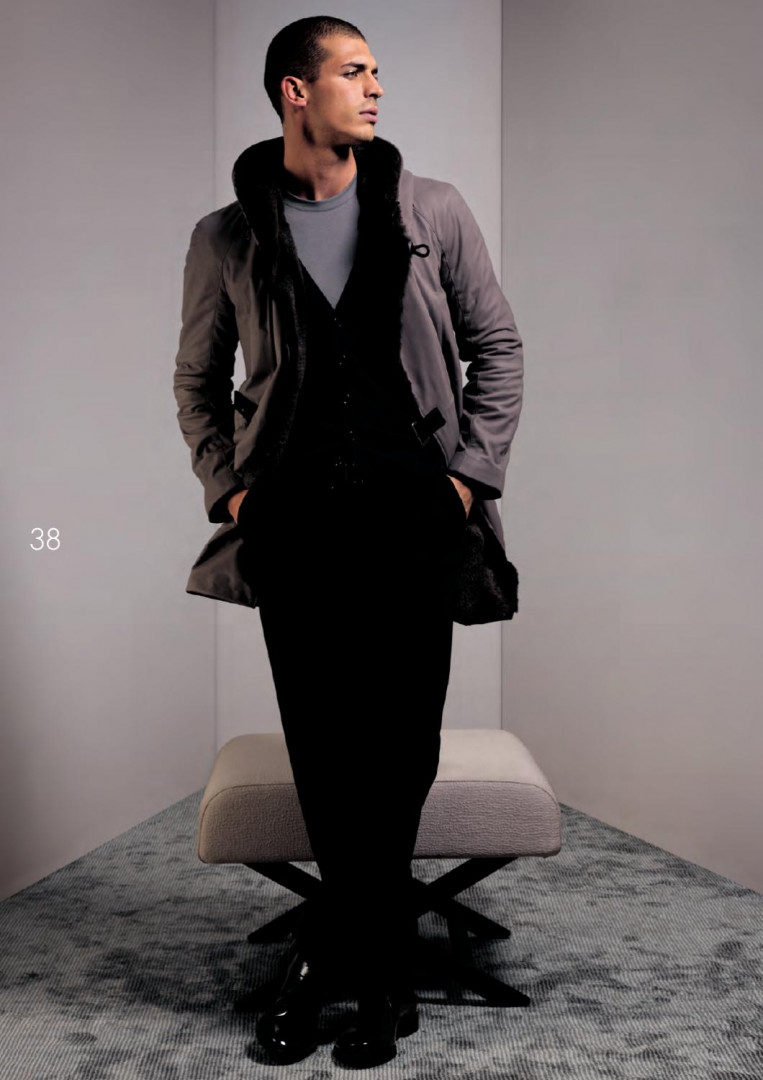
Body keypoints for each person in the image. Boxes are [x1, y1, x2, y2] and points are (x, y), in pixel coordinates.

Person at [173, 15, 524, 1069]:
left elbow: (496, 346)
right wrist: (233, 494)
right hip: (296, 529)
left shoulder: (431, 209)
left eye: (376, 72)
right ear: (295, 89)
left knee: (397, 751)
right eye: (353, 71)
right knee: (326, 754)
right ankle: (374, 978)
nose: (374, 89)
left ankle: (341, 967)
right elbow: (197, 379)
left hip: (416, 521)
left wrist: (467, 479)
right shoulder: (226, 235)